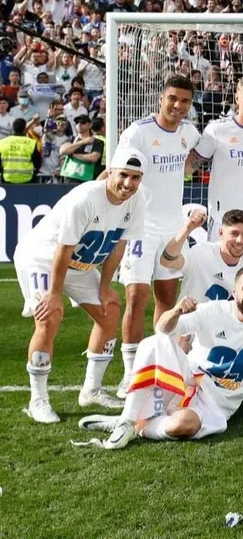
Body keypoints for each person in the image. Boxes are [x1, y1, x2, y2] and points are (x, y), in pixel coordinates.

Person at [77, 266, 243, 449]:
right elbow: (162, 328)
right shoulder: (212, 310)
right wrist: (175, 312)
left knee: (183, 426)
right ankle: (126, 420)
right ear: (234, 291)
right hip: (187, 378)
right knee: (154, 342)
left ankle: (134, 423)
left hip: (217, 402)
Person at [15, 149, 147, 423]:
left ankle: (91, 390)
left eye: (135, 178)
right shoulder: (85, 198)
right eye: (123, 175)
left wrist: (105, 286)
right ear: (110, 172)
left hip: (79, 265)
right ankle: (38, 400)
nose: (128, 184)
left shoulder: (137, 199)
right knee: (49, 317)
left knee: (110, 310)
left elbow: (119, 243)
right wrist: (53, 293)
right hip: (43, 257)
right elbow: (63, 249)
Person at [116, 75, 202, 399]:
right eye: (172, 99)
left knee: (167, 299)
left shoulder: (188, 133)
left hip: (172, 228)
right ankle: (130, 374)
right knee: (136, 299)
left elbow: (195, 158)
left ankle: (159, 364)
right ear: (161, 98)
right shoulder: (138, 132)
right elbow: (116, 173)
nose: (177, 106)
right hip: (140, 227)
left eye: (184, 101)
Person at [187, 72, 243, 257]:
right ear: (237, 97)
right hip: (223, 223)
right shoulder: (217, 130)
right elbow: (189, 167)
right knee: (217, 280)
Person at [160, 208, 243, 304]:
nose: (240, 241)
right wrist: (188, 228)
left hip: (232, 327)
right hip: (194, 325)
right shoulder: (201, 252)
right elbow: (167, 261)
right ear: (220, 233)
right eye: (234, 234)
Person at [58, 115, 104, 183]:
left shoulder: (97, 142)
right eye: (77, 122)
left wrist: (73, 155)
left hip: (88, 179)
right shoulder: (71, 139)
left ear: (90, 125)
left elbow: (93, 158)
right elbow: (63, 151)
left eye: (83, 122)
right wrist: (83, 142)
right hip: (70, 178)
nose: (79, 124)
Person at [0, 118, 42, 183]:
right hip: (27, 179)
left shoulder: (2, 142)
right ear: (24, 128)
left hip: (7, 179)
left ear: (13, 128)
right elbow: (38, 163)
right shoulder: (31, 143)